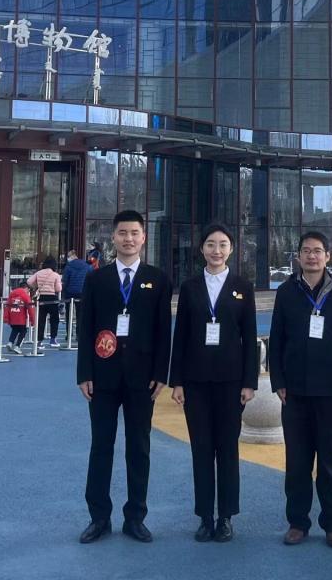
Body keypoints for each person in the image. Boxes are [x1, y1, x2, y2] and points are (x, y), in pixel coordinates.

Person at [76, 210, 172, 545]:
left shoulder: (157, 279)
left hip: (142, 379)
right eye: (122, 233)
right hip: (102, 377)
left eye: (134, 233)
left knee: (139, 447)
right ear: (113, 237)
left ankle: (136, 517)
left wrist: (161, 373)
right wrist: (84, 373)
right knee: (101, 446)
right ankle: (99, 517)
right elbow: (86, 328)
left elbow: (164, 331)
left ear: (143, 237)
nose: (128, 239)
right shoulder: (97, 279)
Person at [269, 231, 332, 548]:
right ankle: (298, 523)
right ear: (298, 256)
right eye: (306, 251)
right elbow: (276, 340)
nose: (312, 256)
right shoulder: (286, 292)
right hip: (294, 393)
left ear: (328, 256)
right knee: (297, 463)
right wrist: (278, 381)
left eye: (317, 251)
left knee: (331, 463)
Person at [169, 224, 258, 543]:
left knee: (228, 449)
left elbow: (250, 337)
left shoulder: (242, 287)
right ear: (202, 249)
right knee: (202, 449)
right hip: (195, 382)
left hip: (231, 383)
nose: (216, 250)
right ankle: (205, 516)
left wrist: (249, 382)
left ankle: (226, 517)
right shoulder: (190, 287)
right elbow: (180, 335)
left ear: (231, 249)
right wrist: (177, 381)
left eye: (222, 244)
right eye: (210, 244)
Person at [28, 257, 63, 348]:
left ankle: (39, 341)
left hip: (42, 298)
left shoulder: (39, 273)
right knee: (54, 320)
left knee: (41, 320)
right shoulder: (55, 275)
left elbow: (29, 281)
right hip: (52, 298)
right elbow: (58, 289)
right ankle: (53, 339)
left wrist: (36, 286)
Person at [4, 281, 35, 355]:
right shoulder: (25, 295)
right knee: (23, 332)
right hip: (21, 317)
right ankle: (17, 346)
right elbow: (30, 309)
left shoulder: (12, 294)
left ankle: (10, 342)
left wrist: (6, 317)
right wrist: (32, 320)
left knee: (15, 330)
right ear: (26, 288)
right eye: (28, 290)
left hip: (12, 316)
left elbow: (7, 306)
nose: (28, 291)